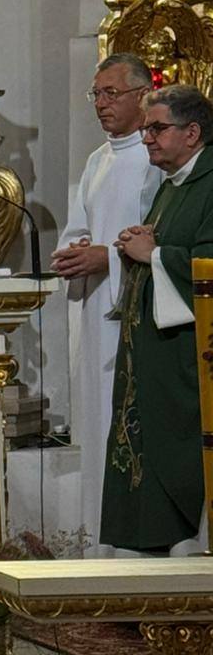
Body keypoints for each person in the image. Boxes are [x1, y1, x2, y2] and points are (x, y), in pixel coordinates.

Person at [51, 53, 158, 554]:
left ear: (142, 95)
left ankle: (139, 551)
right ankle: (102, 548)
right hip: (97, 315)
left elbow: (161, 241)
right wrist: (75, 252)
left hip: (139, 315)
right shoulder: (97, 161)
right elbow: (79, 232)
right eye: (96, 94)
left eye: (111, 93)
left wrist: (108, 259)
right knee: (97, 430)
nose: (100, 104)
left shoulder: (156, 161)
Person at [101, 83, 213, 554]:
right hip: (154, 355)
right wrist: (139, 243)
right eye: (147, 129)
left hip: (189, 357)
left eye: (157, 129)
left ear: (192, 132)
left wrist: (156, 254)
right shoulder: (173, 185)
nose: (146, 138)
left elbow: (207, 264)